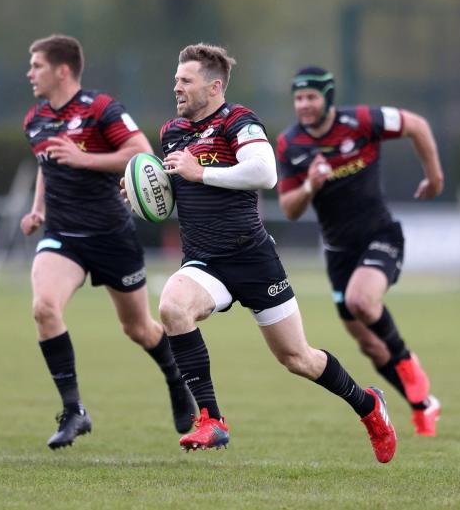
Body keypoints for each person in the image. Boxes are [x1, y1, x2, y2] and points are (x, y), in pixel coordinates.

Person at [145, 43, 396, 462]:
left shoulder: (238, 121)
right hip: (205, 261)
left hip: (253, 258)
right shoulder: (173, 132)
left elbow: (265, 172)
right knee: (173, 307)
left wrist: (199, 171)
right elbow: (176, 192)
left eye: (185, 81)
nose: (177, 88)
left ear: (215, 86)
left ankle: (368, 405)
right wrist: (142, 192)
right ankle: (211, 420)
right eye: (175, 80)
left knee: (297, 358)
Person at [20, 34, 195, 450]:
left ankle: (175, 379)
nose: (30, 73)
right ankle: (74, 409)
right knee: (44, 309)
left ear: (63, 70)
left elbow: (140, 152)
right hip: (62, 236)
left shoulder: (101, 110)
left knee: (137, 328)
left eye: (37, 65)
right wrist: (38, 209)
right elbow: (46, 163)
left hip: (111, 236)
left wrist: (85, 159)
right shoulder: (35, 119)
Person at [274, 67, 443, 436]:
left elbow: (416, 125)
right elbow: (289, 208)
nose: (303, 105)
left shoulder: (362, 121)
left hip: (380, 235)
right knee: (368, 344)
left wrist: (435, 176)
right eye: (298, 98)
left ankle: (407, 363)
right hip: (338, 253)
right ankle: (423, 405)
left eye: (311, 97)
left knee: (361, 302)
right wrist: (310, 186)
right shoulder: (290, 144)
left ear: (328, 98)